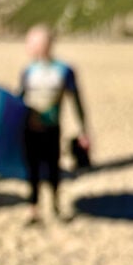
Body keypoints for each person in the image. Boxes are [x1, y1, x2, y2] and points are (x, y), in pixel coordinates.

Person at [18, 25, 89, 224]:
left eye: (32, 43)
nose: (30, 48)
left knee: (52, 168)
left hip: (51, 128)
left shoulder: (63, 70)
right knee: (31, 169)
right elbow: (19, 100)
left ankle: (55, 204)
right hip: (30, 129)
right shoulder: (28, 71)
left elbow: (76, 101)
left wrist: (83, 130)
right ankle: (33, 208)